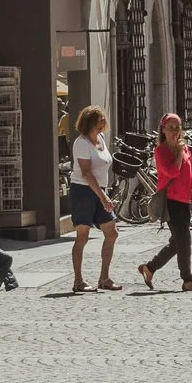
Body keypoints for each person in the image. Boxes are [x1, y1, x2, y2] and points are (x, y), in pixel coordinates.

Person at [138, 114, 192, 291]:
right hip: (171, 201)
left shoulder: (185, 148)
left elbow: (191, 174)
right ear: (163, 130)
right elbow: (171, 172)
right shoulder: (161, 151)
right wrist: (179, 153)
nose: (174, 131)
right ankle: (188, 281)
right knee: (184, 241)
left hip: (185, 200)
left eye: (177, 127)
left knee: (177, 243)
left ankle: (149, 268)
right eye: (170, 127)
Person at [67, 105, 122, 293]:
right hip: (83, 191)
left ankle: (104, 278)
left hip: (100, 190)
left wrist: (103, 193)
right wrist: (103, 196)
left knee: (112, 233)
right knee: (82, 236)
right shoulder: (81, 143)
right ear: (88, 123)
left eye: (102, 122)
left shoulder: (101, 138)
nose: (101, 125)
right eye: (98, 122)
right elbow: (86, 173)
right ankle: (78, 281)